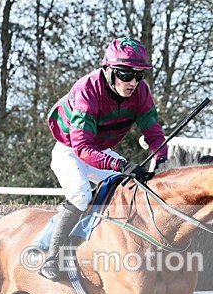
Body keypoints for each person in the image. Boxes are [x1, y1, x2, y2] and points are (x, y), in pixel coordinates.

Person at [40, 37, 169, 281]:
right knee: (81, 194)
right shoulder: (87, 90)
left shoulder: (141, 92)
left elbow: (153, 134)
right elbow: (83, 148)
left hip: (99, 150)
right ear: (108, 70)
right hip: (71, 150)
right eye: (125, 74)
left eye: (139, 75)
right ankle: (51, 256)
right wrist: (120, 164)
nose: (132, 82)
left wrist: (160, 159)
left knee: (130, 188)